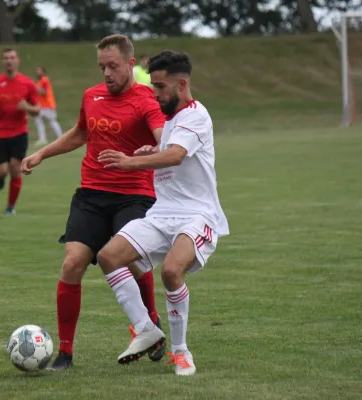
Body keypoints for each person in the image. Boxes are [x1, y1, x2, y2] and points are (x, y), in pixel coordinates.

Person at [21, 34, 166, 371]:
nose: (106, 73)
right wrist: (41, 153)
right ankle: (66, 353)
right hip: (91, 194)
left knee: (129, 261)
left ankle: (150, 323)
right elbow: (80, 134)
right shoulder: (92, 96)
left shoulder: (146, 100)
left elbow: (166, 141)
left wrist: (151, 152)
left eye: (112, 66)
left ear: (130, 64)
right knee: (72, 264)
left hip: (135, 194)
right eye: (102, 67)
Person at [95, 50, 229, 376]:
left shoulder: (197, 115)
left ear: (181, 84)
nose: (155, 93)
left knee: (171, 271)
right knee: (109, 256)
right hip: (162, 213)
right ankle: (146, 329)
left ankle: (181, 351)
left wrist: (131, 161)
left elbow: (177, 156)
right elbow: (168, 150)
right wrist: (153, 149)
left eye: (160, 86)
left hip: (197, 215)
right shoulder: (170, 120)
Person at [0, 48, 40, 215]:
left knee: (15, 169)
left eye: (12, 57)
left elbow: (37, 109)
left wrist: (27, 107)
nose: (9, 61)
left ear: (18, 61)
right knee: (2, 171)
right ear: (2, 62)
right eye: (6, 58)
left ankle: (10, 207)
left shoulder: (28, 83)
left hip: (19, 132)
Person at [34, 66, 63, 146]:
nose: (37, 72)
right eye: (37, 71)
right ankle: (42, 139)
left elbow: (44, 92)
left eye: (39, 70)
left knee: (52, 121)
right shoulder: (39, 81)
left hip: (48, 105)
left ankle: (61, 137)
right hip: (42, 106)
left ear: (43, 72)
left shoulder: (45, 80)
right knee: (38, 121)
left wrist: (35, 88)